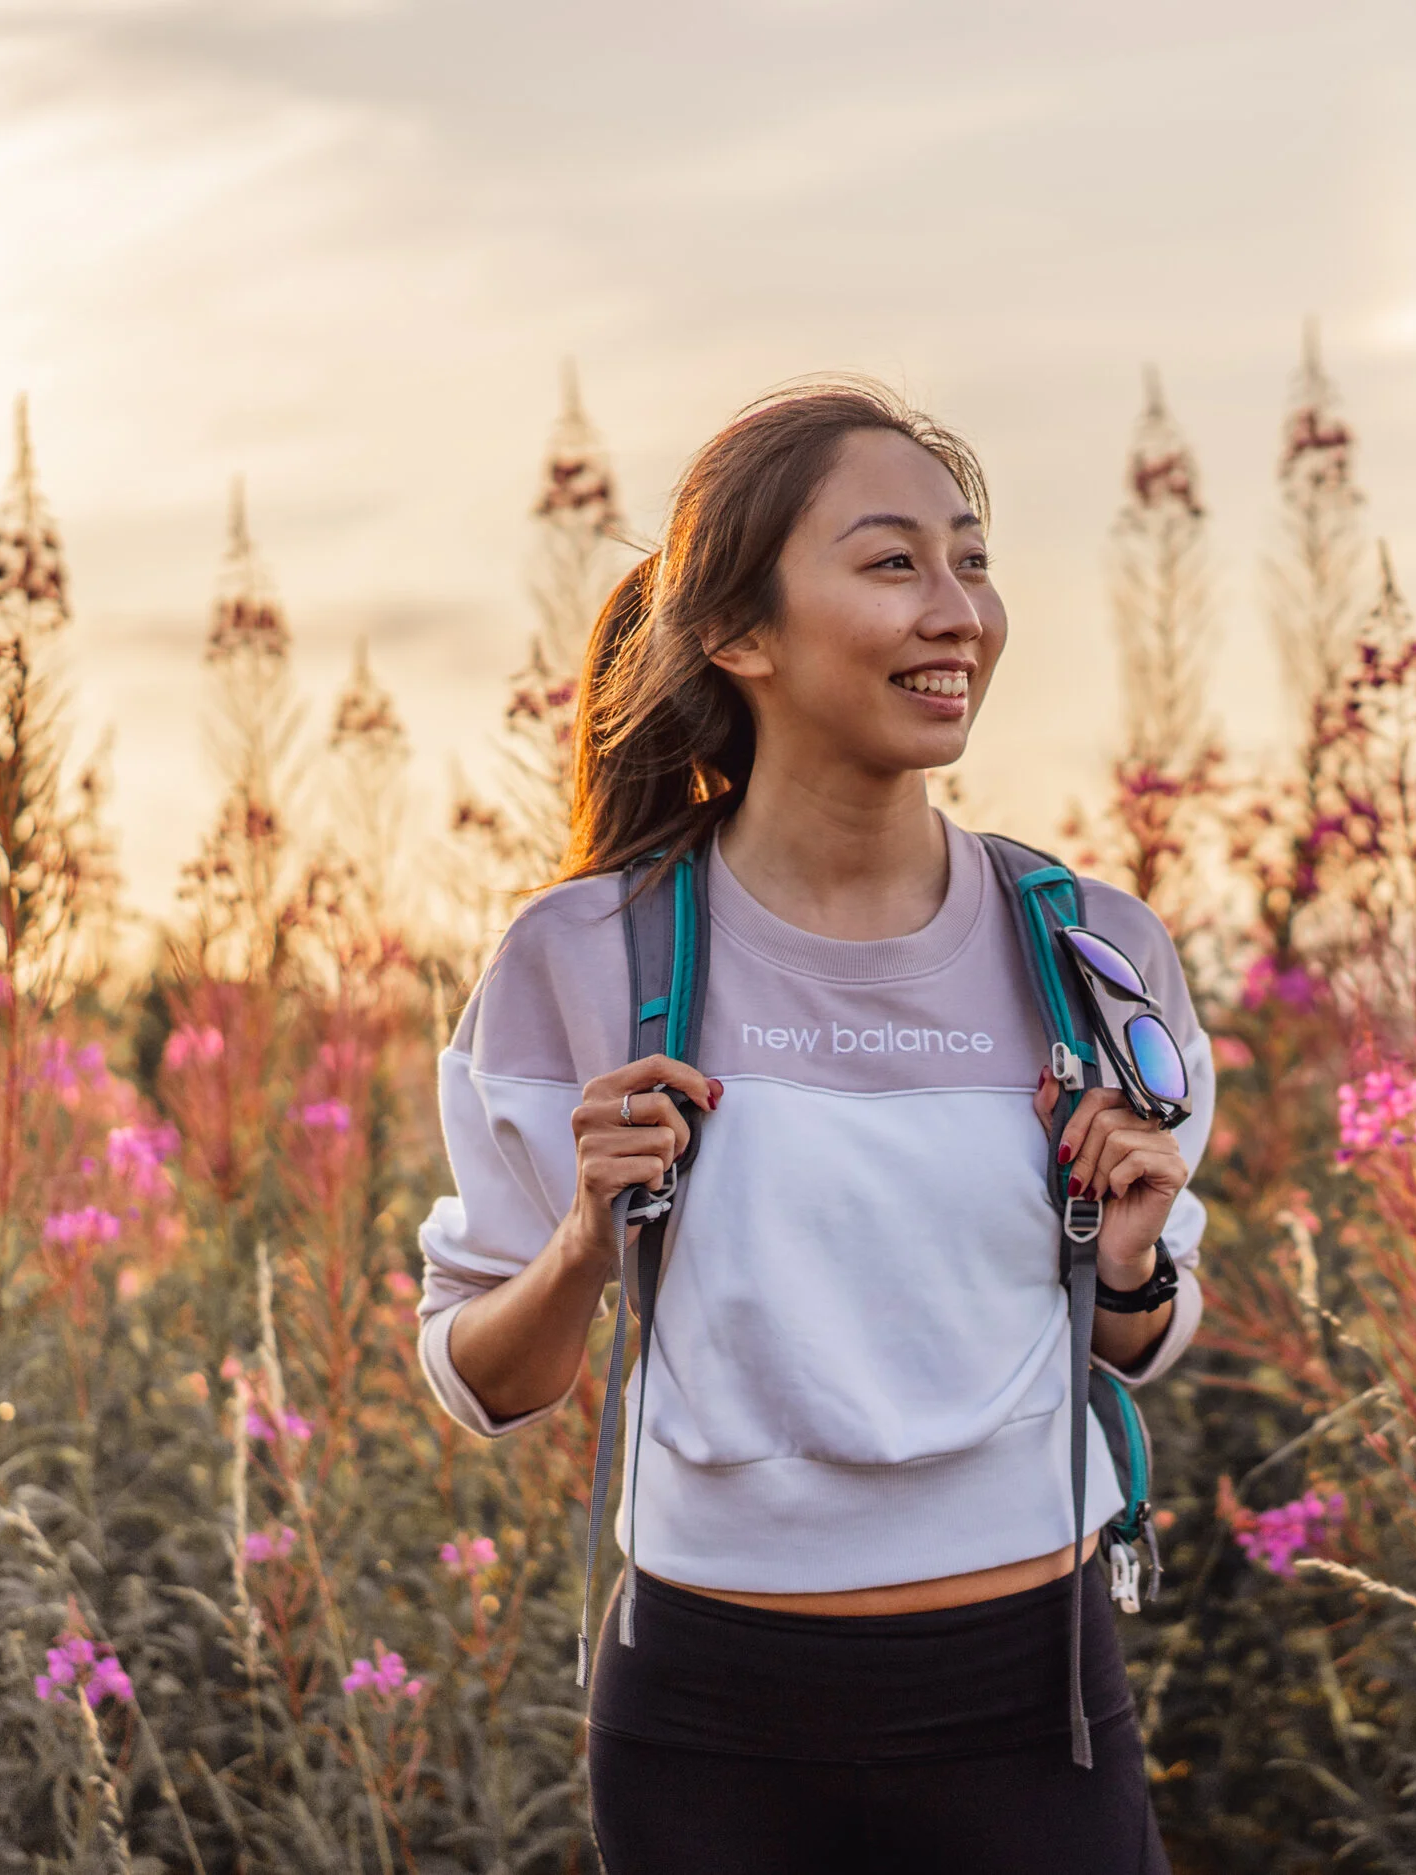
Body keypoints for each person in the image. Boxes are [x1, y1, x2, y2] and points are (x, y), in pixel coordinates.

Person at [412, 379, 1212, 1873]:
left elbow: (1143, 1338)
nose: (957, 610)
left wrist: (1133, 1261)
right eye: (894, 561)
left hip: (1035, 1707)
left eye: (970, 560)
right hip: (711, 1727)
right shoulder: (589, 957)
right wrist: (586, 1237)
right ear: (742, 632)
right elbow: (483, 1379)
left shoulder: (1093, 951)